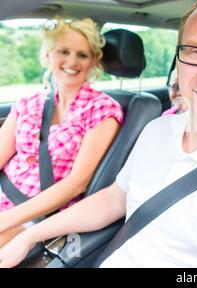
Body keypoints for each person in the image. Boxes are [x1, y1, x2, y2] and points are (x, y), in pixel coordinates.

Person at [0, 0, 197, 268]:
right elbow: (113, 200)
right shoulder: (157, 130)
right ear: (179, 58)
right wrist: (29, 236)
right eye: (196, 51)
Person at [0, 18, 123, 248]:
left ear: (94, 61)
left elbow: (77, 183)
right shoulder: (28, 103)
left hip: (40, 214)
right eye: (63, 51)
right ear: (48, 56)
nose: (72, 61)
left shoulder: (102, 109)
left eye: (82, 55)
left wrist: (5, 219)